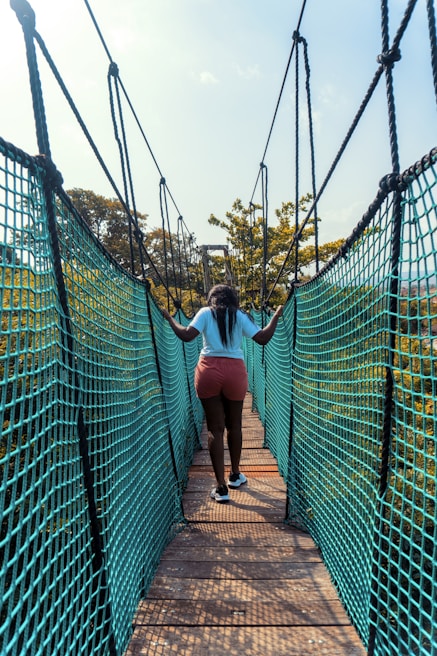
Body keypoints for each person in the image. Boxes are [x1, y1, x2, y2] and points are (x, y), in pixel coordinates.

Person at [162, 284, 283, 503]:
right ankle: (235, 475)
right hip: (235, 372)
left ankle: (220, 488)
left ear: (212, 299)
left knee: (214, 430)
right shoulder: (239, 315)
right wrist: (276, 316)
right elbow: (263, 338)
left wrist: (170, 318)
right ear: (233, 300)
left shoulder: (205, 313)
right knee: (234, 425)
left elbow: (187, 336)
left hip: (208, 370)